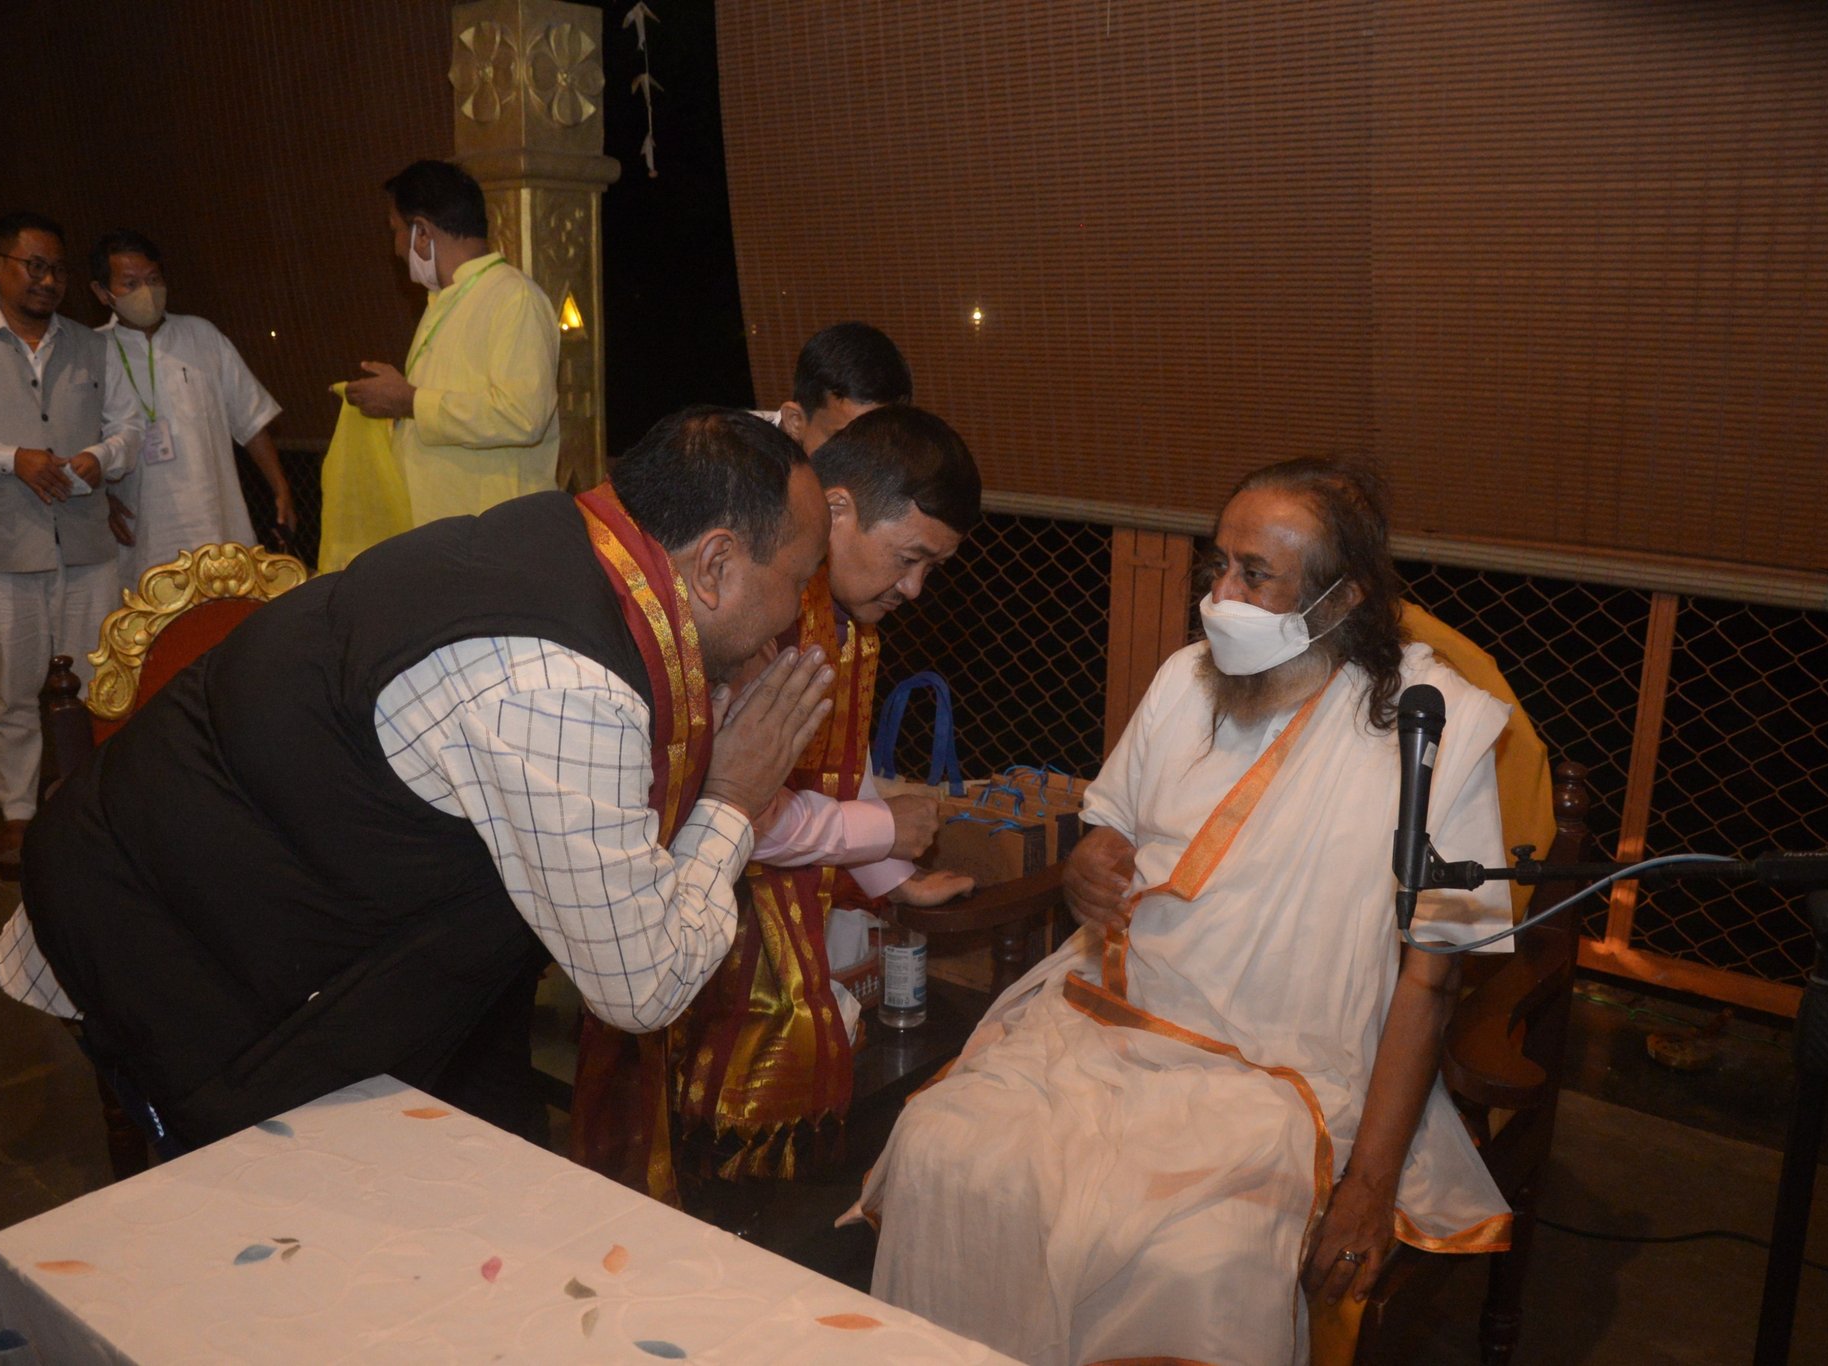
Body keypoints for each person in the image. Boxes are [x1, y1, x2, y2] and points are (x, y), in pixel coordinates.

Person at [12, 407, 833, 1149]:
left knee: (500, 1165)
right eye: (797, 581)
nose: (796, 612)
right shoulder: (564, 686)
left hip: (302, 898)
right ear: (714, 563)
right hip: (168, 937)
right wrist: (735, 795)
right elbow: (641, 985)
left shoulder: (574, 538)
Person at [855, 458, 1516, 1366]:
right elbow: (1109, 830)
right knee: (942, 1148)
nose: (1220, 596)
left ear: (1342, 599)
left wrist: (1370, 1184)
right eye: (1219, 566)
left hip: (1285, 1074)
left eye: (1255, 575)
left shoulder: (1434, 732)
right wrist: (1088, 866)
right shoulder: (1183, 681)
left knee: (1202, 1258)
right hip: (1115, 1023)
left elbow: (1432, 980)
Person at [576, 403, 984, 1194]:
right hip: (708, 909)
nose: (915, 587)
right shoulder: (755, 608)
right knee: (699, 1140)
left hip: (771, 897)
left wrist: (892, 872)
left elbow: (836, 761)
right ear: (837, 510)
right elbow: (728, 799)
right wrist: (876, 831)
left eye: (931, 567)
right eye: (909, 558)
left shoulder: (848, 619)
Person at [0, 211, 140, 865]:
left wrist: (104, 456)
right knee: (13, 691)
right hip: (4, 551)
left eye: (58, 270)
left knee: (99, 685)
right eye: (34, 266)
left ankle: (94, 802)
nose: (48, 281)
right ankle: (18, 814)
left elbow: (129, 427)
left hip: (88, 548)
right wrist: (9, 458)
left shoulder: (95, 346)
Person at [344, 159, 560, 526]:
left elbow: (523, 416)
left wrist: (411, 401)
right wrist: (395, 406)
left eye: (396, 231)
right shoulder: (445, 301)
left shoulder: (514, 297)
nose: (396, 249)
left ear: (422, 233)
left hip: (495, 534)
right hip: (445, 532)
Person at [88, 230, 294, 589]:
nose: (146, 292)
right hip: (142, 534)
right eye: (131, 283)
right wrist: (98, 499)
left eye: (154, 279)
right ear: (102, 292)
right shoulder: (92, 351)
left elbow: (251, 420)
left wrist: (281, 487)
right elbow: (78, 445)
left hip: (217, 524)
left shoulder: (202, 335)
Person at [757, 321, 914, 456]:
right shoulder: (746, 470)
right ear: (795, 421)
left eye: (882, 444)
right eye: (844, 442)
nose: (865, 462)